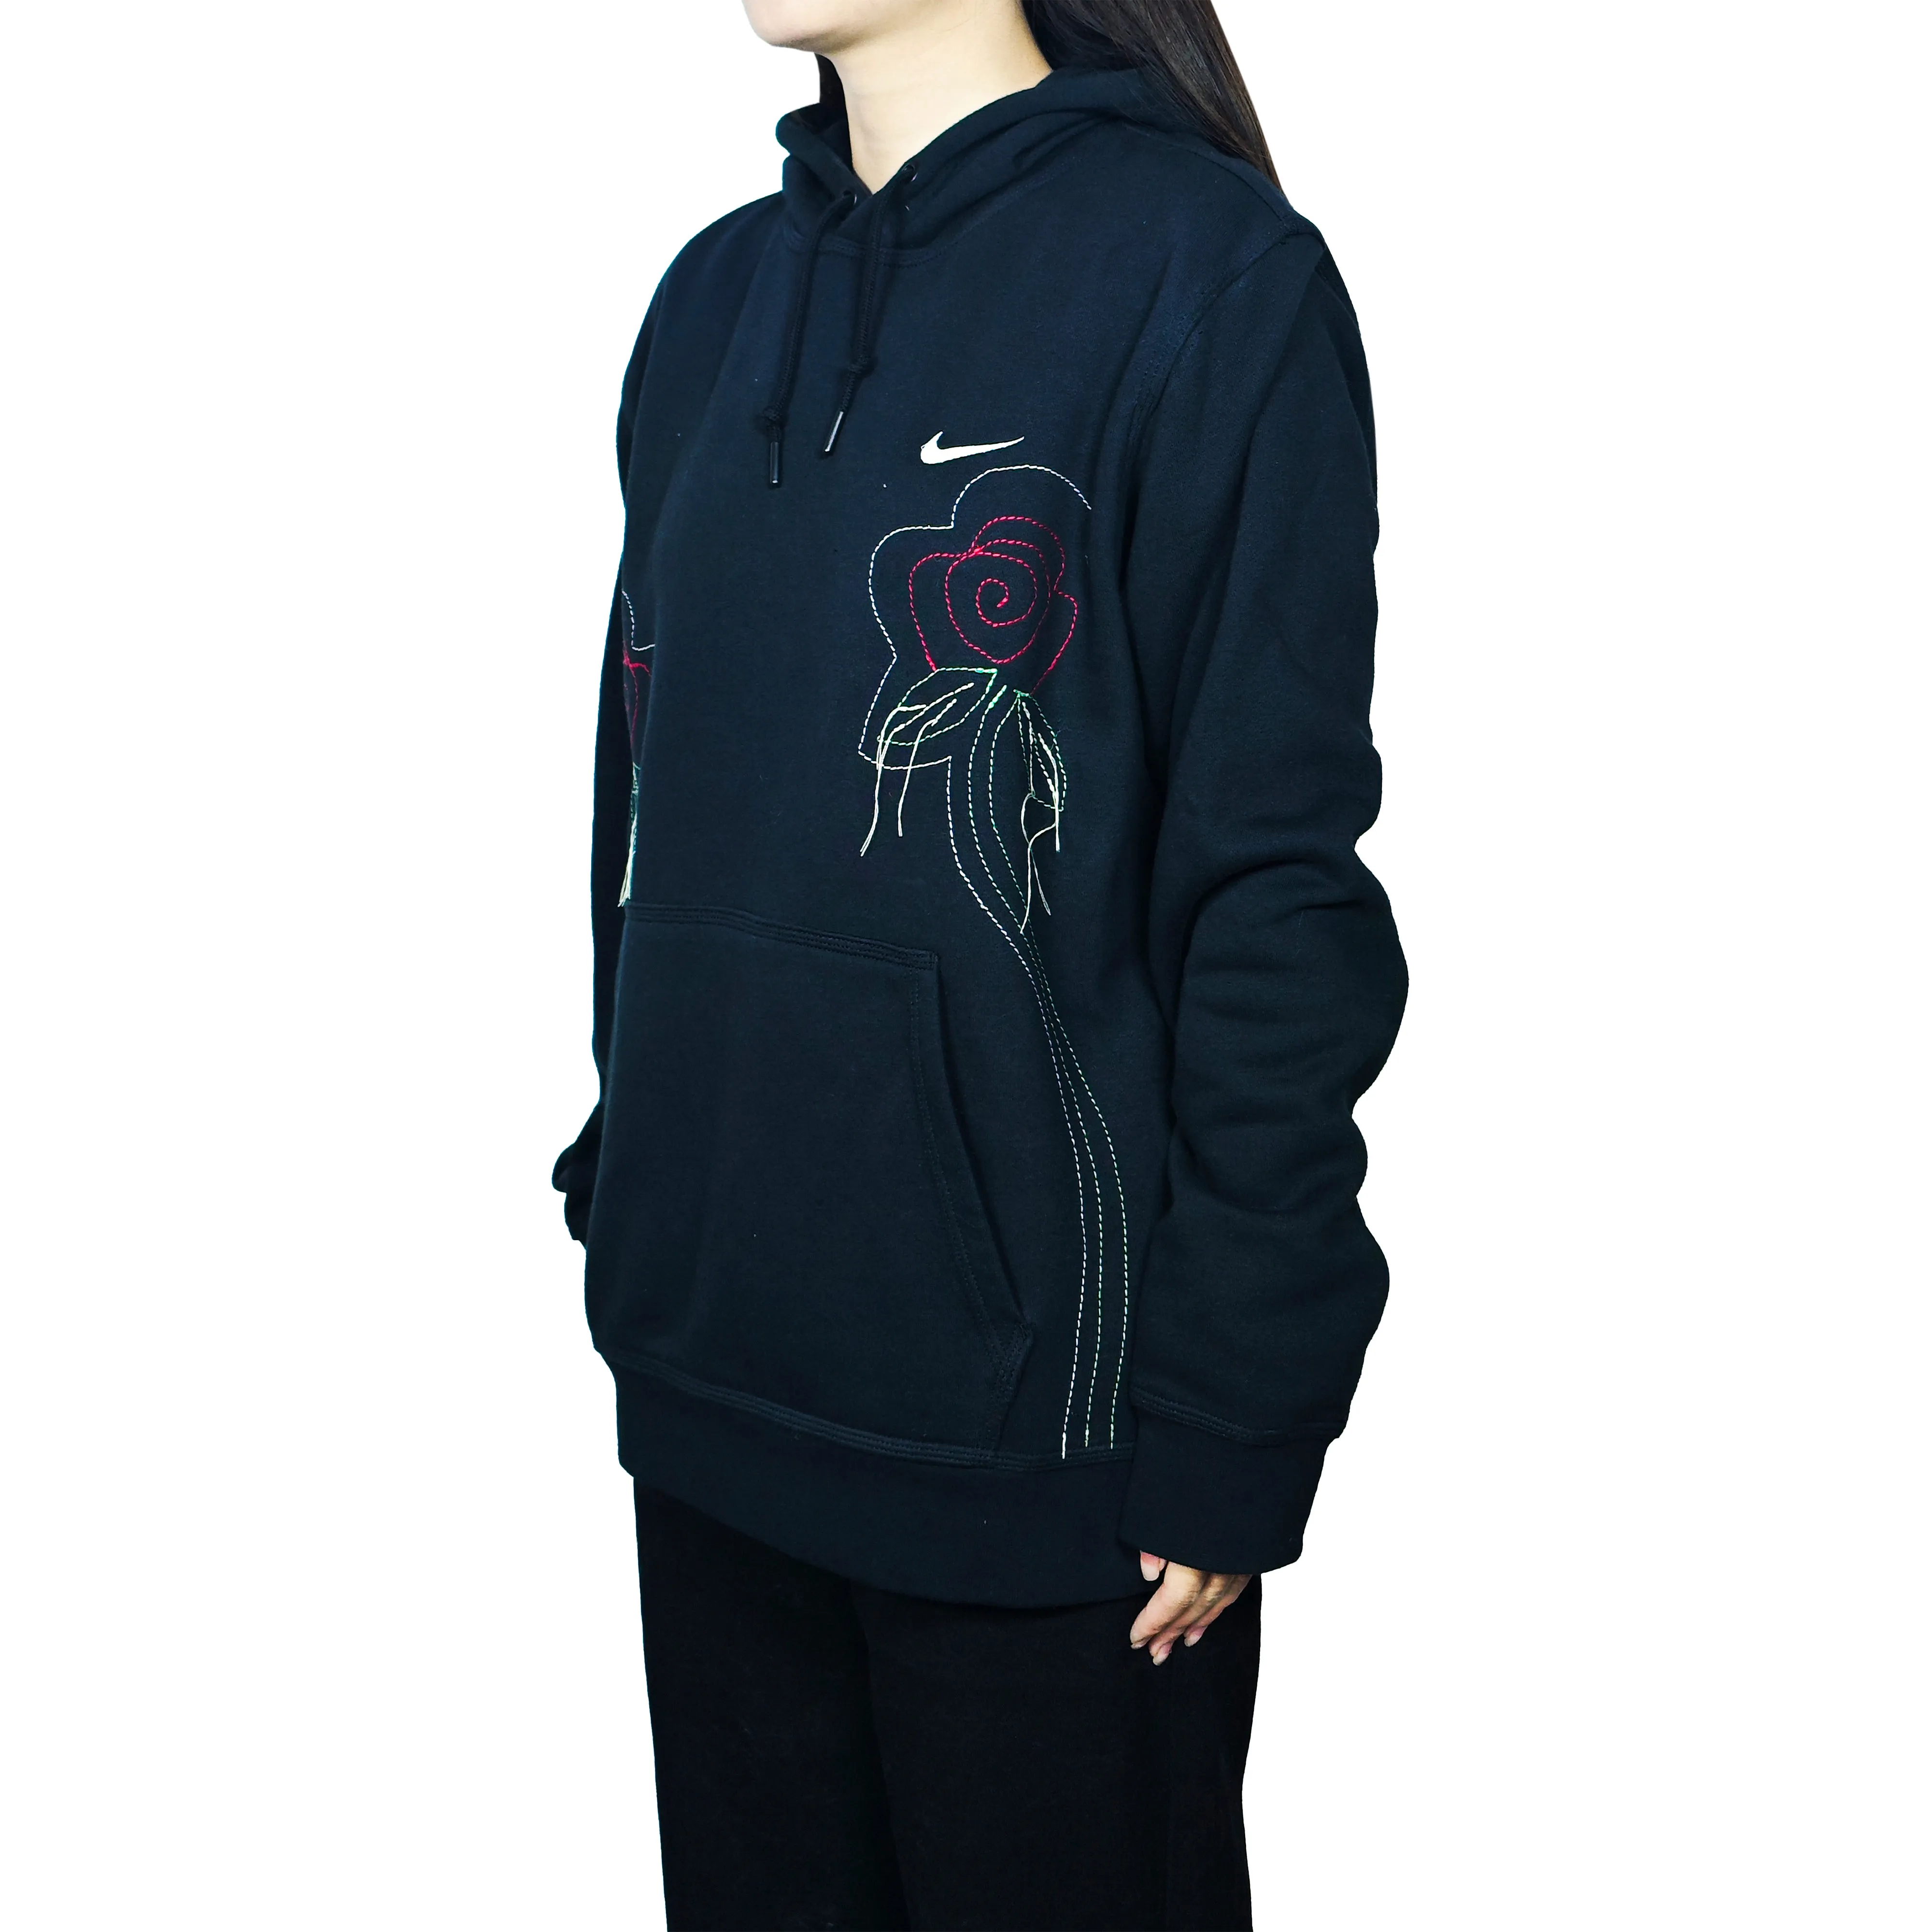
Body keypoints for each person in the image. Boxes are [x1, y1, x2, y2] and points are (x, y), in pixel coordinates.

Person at [551, 1, 1405, 1924]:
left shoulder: (1209, 278)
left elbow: (1270, 883)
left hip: (1049, 1463)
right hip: (714, 1395)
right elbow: (643, 779)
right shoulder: (708, 304)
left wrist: (1238, 1400)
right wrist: (635, 1173)